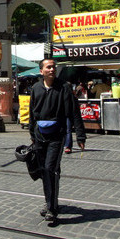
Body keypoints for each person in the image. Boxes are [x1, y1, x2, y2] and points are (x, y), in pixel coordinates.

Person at [29, 58, 75, 225]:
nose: (52, 69)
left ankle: (51, 208)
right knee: (44, 170)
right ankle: (50, 202)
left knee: (50, 169)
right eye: (48, 67)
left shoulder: (64, 87)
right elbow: (32, 111)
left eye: (53, 67)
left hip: (57, 134)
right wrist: (31, 132)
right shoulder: (36, 88)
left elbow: (73, 111)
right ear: (41, 71)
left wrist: (81, 135)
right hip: (40, 135)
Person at [64, 84, 87, 154]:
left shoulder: (71, 99)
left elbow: (77, 120)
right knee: (67, 129)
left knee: (67, 129)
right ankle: (67, 145)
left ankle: (67, 145)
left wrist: (81, 138)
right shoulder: (72, 98)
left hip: (66, 115)